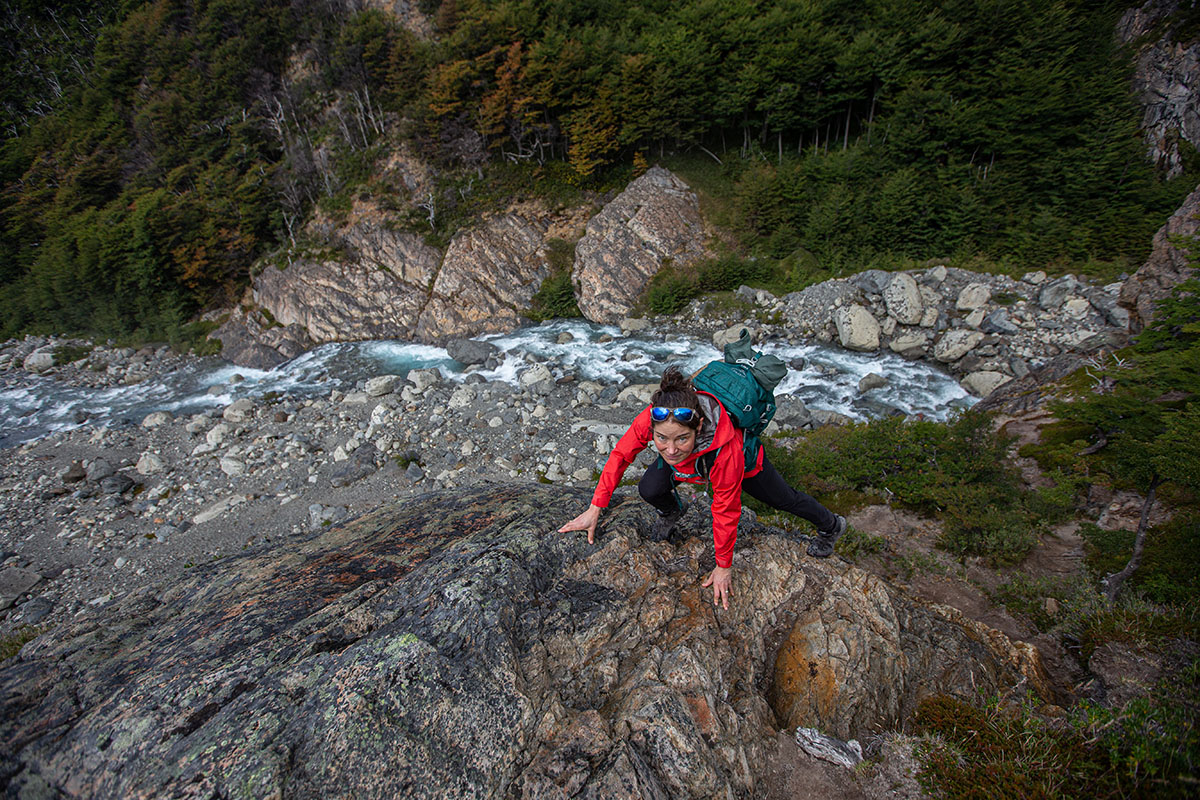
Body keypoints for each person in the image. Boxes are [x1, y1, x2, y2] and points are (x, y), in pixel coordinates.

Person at [559, 366, 846, 609]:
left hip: (745, 468)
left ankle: (831, 525)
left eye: (681, 439)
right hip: (689, 467)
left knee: (785, 500)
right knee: (648, 488)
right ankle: (672, 511)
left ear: (698, 427)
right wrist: (595, 507)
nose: (670, 449)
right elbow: (621, 455)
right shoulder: (654, 417)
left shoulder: (726, 449)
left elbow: (725, 510)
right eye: (661, 439)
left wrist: (723, 566)